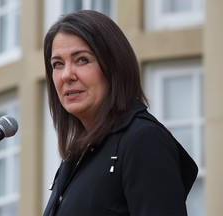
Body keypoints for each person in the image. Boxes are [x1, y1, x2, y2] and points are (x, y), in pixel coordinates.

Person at [43, 10, 198, 215]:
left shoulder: (143, 140)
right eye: (58, 64)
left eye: (82, 60)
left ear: (114, 66)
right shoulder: (77, 155)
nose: (66, 75)